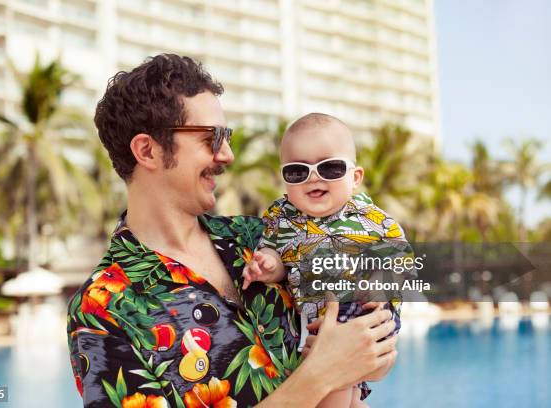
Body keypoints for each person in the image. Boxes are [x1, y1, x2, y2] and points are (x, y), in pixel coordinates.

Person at [66, 54, 397, 407]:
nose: (227, 155)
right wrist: (320, 376)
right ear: (148, 150)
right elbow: (331, 367)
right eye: (213, 138)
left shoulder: (263, 238)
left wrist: (370, 346)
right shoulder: (103, 309)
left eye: (227, 136)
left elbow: (373, 349)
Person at [242, 113, 414, 407]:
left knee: (334, 385)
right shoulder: (282, 217)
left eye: (330, 168)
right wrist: (268, 266)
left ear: (355, 177)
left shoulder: (369, 218)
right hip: (317, 316)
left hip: (360, 307)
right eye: (297, 171)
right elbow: (276, 255)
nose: (314, 178)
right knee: (348, 394)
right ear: (284, 178)